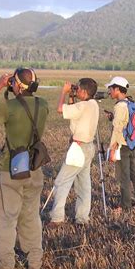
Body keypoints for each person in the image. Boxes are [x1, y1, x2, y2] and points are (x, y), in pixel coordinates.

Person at [0, 68, 49, 269]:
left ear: (16, 84)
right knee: (31, 217)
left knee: (7, 219)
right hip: (35, 168)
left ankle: (6, 268)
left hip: (12, 169)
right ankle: (35, 264)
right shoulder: (43, 104)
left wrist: (0, 85)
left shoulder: (10, 107)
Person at [48, 78, 99, 226]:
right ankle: (82, 218)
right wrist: (72, 96)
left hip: (78, 148)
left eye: (78, 90)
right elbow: (73, 113)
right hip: (89, 146)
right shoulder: (93, 104)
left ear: (83, 91)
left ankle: (57, 217)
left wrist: (63, 93)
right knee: (84, 184)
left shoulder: (83, 105)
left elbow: (60, 109)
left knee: (61, 182)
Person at [105, 76, 135, 213]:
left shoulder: (120, 106)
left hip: (122, 145)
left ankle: (125, 206)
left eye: (111, 88)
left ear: (117, 89)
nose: (109, 91)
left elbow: (117, 129)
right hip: (131, 144)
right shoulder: (129, 102)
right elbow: (125, 122)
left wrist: (112, 148)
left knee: (124, 176)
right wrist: (113, 117)